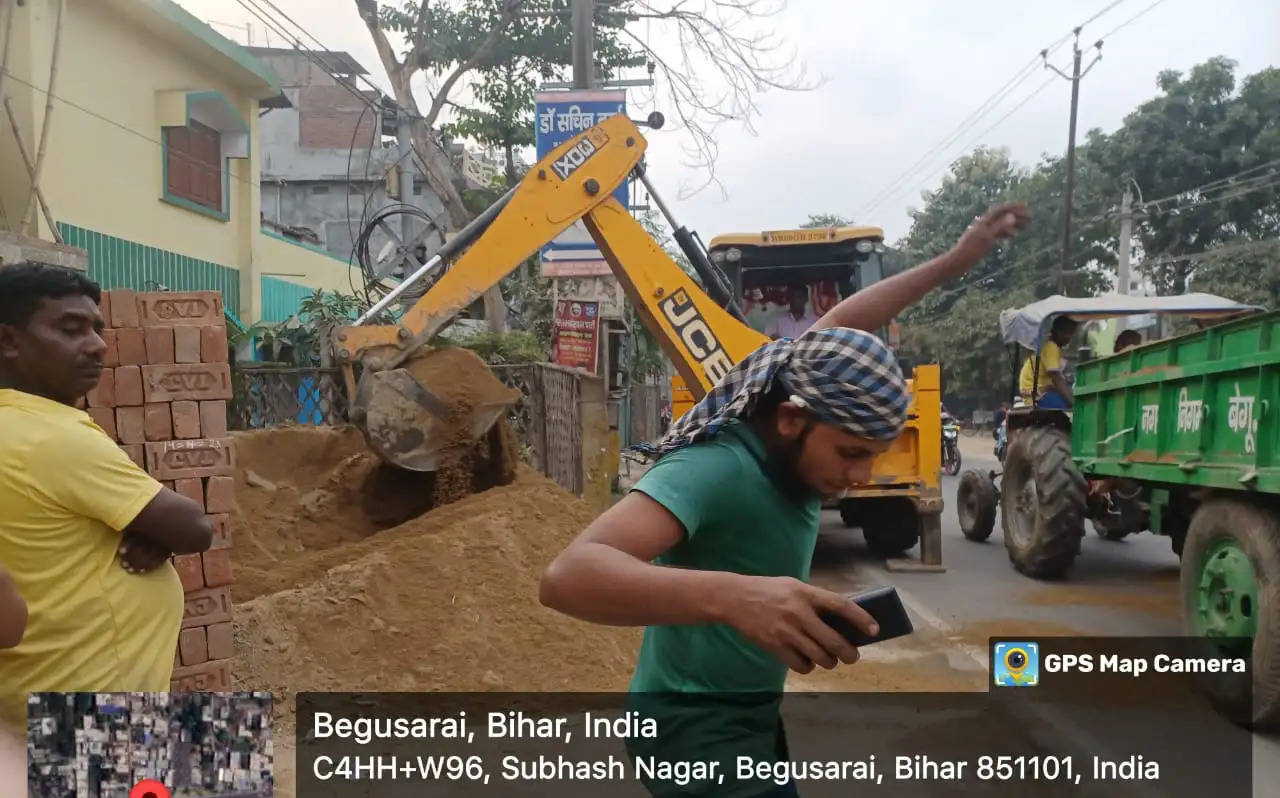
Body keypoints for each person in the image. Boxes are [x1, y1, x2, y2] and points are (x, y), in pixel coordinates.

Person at [539, 202, 1032, 798]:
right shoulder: (718, 467)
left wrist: (956, 261)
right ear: (794, 421)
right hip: (692, 727)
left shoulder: (804, 384)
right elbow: (568, 577)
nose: (859, 476)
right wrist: (738, 597)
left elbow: (851, 318)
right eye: (851, 453)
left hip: (744, 715)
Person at [0, 263, 213, 733]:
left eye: (97, 328)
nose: (97, 344)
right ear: (9, 342)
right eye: (70, 329)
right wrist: (154, 528)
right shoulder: (52, 437)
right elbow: (196, 527)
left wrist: (141, 525)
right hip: (93, 714)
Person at [1019, 315, 1077, 409]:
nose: (1068, 336)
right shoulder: (1052, 347)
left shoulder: (1049, 346)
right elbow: (1056, 378)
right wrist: (1073, 403)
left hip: (1037, 393)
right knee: (1071, 406)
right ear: (1055, 331)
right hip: (1039, 396)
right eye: (1065, 332)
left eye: (1071, 333)